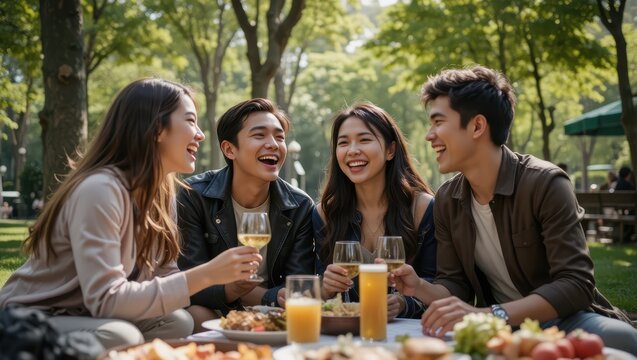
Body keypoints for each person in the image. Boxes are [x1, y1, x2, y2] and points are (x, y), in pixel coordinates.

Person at [0, 78, 262, 349]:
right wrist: (207, 274)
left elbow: (164, 275)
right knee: (122, 337)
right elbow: (106, 299)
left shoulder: (162, 192)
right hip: (31, 317)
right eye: (190, 121)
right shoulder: (101, 189)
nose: (200, 134)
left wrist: (224, 281)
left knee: (176, 322)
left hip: (86, 314)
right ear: (157, 128)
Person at [392, 65, 637, 353]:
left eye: (438, 122)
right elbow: (454, 283)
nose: (429, 135)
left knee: (624, 339)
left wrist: (490, 315)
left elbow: (575, 284)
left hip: (564, 320)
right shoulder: (448, 198)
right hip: (498, 328)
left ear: (477, 126)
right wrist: (418, 286)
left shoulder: (546, 183)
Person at [177, 98, 314, 332]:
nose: (273, 144)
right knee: (194, 315)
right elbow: (188, 280)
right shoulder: (193, 196)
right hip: (215, 307)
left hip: (274, 312)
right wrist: (257, 294)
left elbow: (296, 284)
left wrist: (275, 299)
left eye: (279, 137)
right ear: (230, 149)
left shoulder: (299, 206)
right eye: (259, 135)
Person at [314, 102, 436, 319]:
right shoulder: (325, 214)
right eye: (343, 143)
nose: (352, 151)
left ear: (390, 150)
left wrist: (403, 303)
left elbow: (441, 288)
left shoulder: (422, 208)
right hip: (342, 337)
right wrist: (324, 288)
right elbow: (304, 292)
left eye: (364, 140)